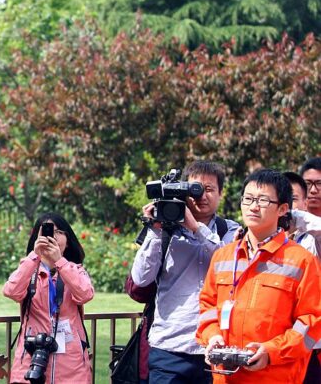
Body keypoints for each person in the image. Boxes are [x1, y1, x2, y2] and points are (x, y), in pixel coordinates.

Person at [197, 168, 321, 383]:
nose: (253, 207)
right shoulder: (223, 256)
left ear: (283, 209)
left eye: (263, 200)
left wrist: (271, 352)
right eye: (248, 199)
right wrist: (212, 337)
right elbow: (207, 307)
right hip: (226, 377)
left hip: (276, 376)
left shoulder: (301, 260)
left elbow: (311, 322)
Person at [131, 160, 239, 383]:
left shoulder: (230, 230)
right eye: (195, 189)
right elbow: (141, 278)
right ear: (183, 192)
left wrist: (195, 228)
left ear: (221, 194)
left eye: (209, 189)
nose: (202, 196)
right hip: (169, 348)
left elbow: (229, 264)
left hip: (214, 347)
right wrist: (154, 230)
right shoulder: (165, 232)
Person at [2, 212, 94, 384]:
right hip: (31, 360)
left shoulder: (75, 270)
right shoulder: (29, 270)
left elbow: (85, 294)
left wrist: (60, 262)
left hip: (71, 365)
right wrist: (34, 256)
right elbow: (11, 291)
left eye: (59, 232)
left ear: (68, 240)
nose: (53, 236)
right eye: (47, 231)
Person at [284, 171, 321, 257]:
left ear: (305, 204)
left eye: (293, 199)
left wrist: (291, 214)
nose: (285, 204)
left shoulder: (312, 240)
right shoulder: (265, 235)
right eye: (281, 199)